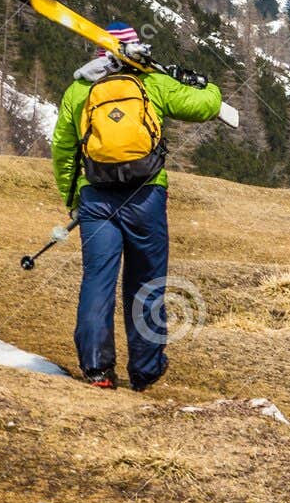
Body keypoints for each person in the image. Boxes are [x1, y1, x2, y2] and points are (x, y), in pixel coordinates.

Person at [50, 23, 222, 391]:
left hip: (95, 196)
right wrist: (204, 84)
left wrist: (72, 196)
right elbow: (206, 106)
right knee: (146, 283)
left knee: (98, 279)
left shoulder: (79, 90)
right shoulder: (152, 83)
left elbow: (64, 150)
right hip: (146, 196)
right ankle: (145, 369)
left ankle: (97, 368)